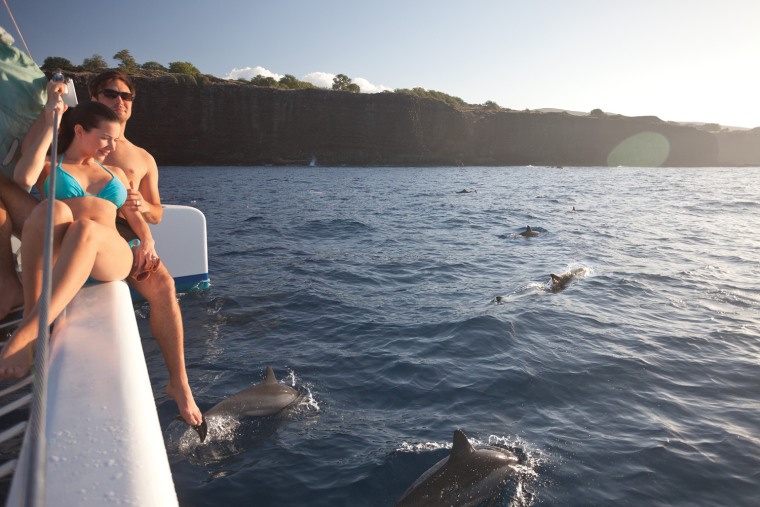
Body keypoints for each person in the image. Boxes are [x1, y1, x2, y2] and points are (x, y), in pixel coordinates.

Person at [0, 99, 160, 379]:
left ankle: (28, 332)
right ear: (79, 131)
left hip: (111, 253)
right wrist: (53, 117)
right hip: (67, 250)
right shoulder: (50, 166)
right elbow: (23, 176)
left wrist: (148, 242)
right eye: (105, 138)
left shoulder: (117, 173)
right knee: (50, 208)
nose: (111, 147)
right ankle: (31, 313)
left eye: (114, 139)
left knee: (85, 228)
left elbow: (135, 218)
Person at [88, 70, 201, 427]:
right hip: (81, 225)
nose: (119, 101)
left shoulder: (143, 158)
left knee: (165, 287)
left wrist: (140, 205)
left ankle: (178, 383)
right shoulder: (73, 137)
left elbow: (157, 213)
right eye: (110, 94)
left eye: (126, 97)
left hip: (126, 235)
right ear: (95, 99)